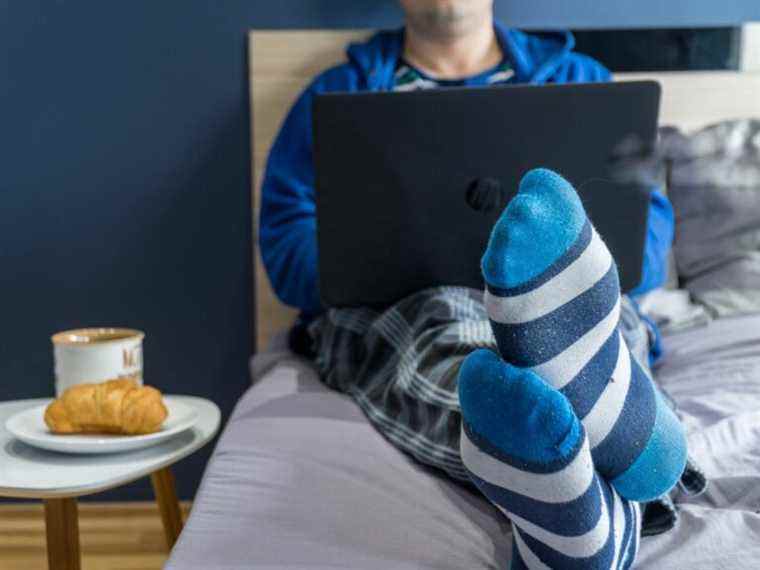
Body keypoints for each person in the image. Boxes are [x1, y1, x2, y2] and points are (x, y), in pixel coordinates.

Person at [259, 1, 704, 567]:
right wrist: (377, 256)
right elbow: (284, 241)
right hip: (414, 302)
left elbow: (646, 228)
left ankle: (576, 515)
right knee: (449, 340)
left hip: (565, 298)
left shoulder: (582, 82)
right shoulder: (341, 95)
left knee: (596, 318)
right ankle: (610, 467)